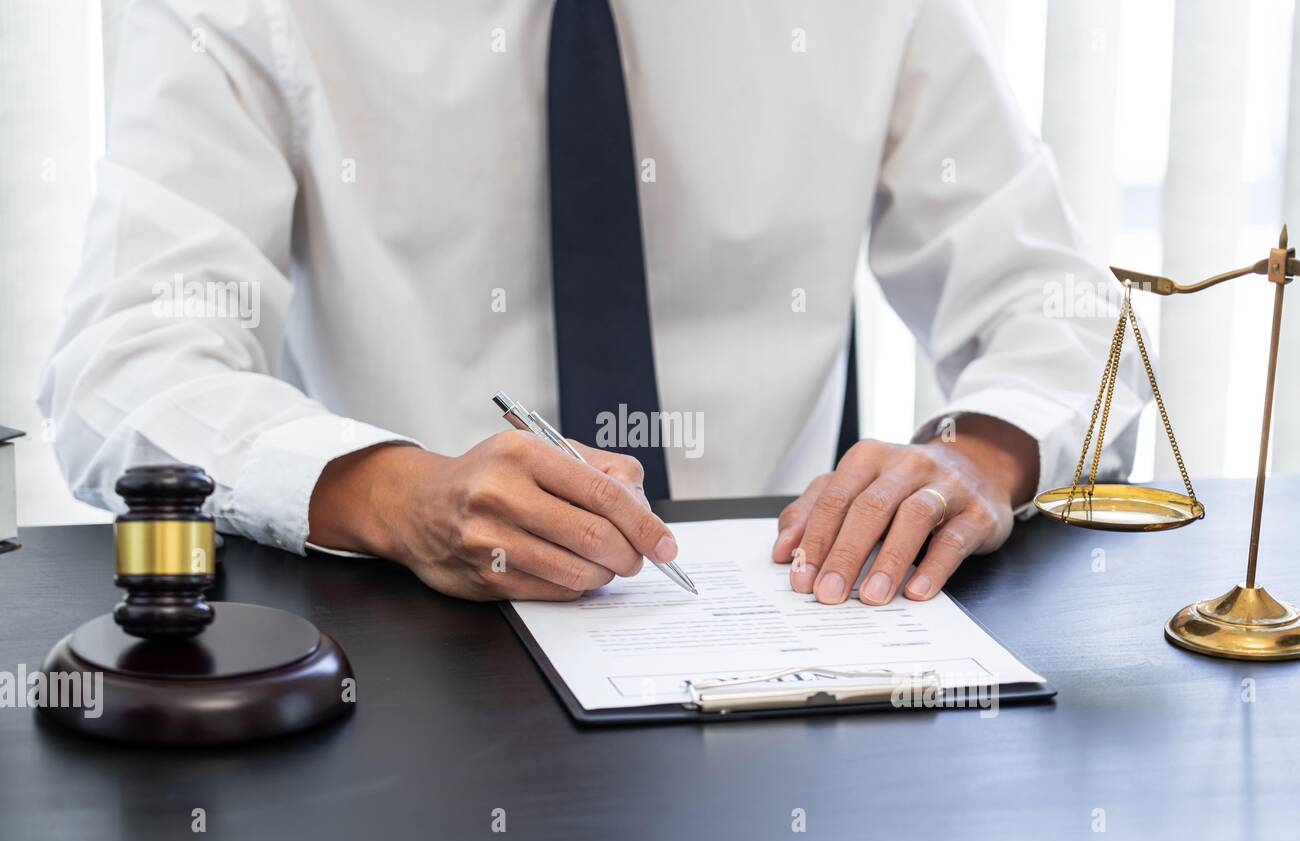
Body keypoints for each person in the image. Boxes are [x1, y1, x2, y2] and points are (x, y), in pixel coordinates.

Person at [38, 0, 1141, 605]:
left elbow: (1061, 313)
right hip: (410, 650)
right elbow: (124, 363)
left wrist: (973, 456)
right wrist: (396, 494)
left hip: (791, 626)